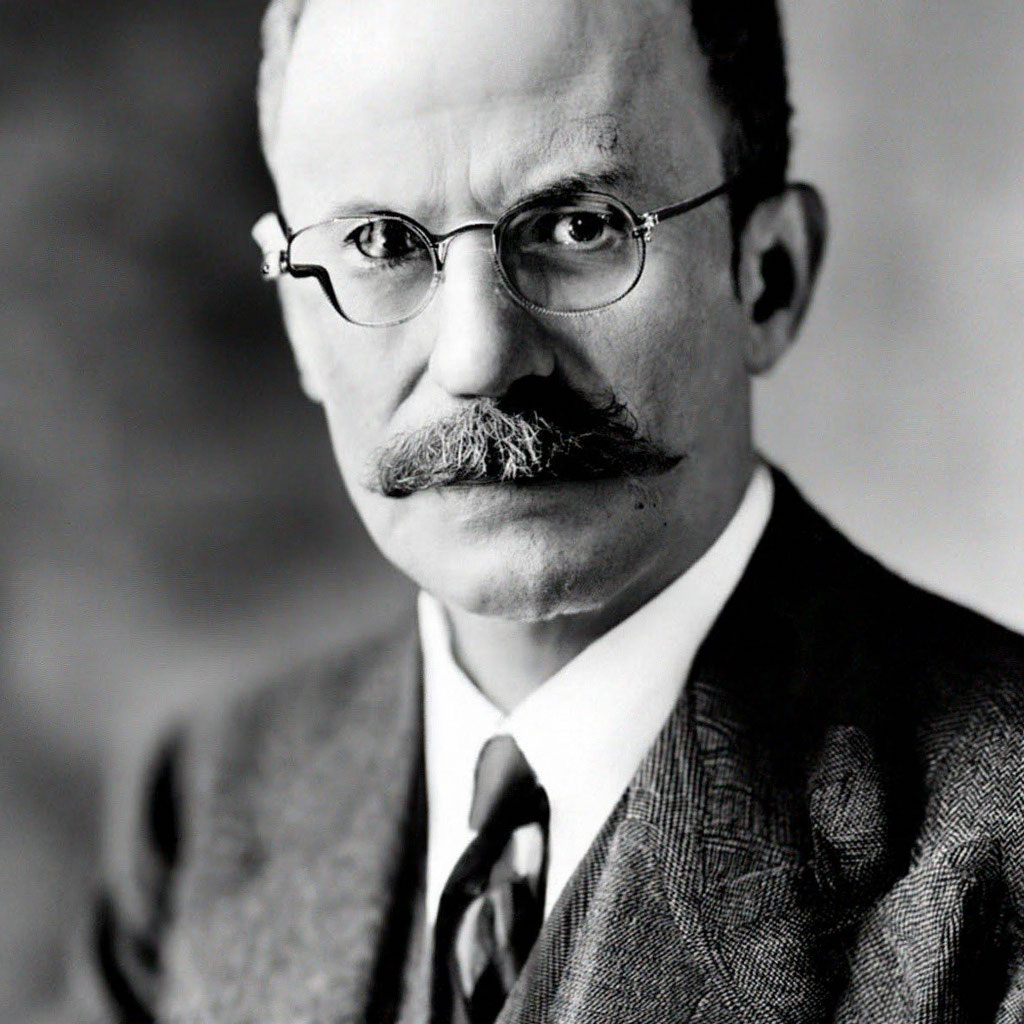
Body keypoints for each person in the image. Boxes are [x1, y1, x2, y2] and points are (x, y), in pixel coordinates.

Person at [77, 0, 1024, 1021]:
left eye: (580, 228)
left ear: (768, 279)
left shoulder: (999, 849)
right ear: (302, 320)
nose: (477, 357)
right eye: (382, 244)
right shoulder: (207, 804)